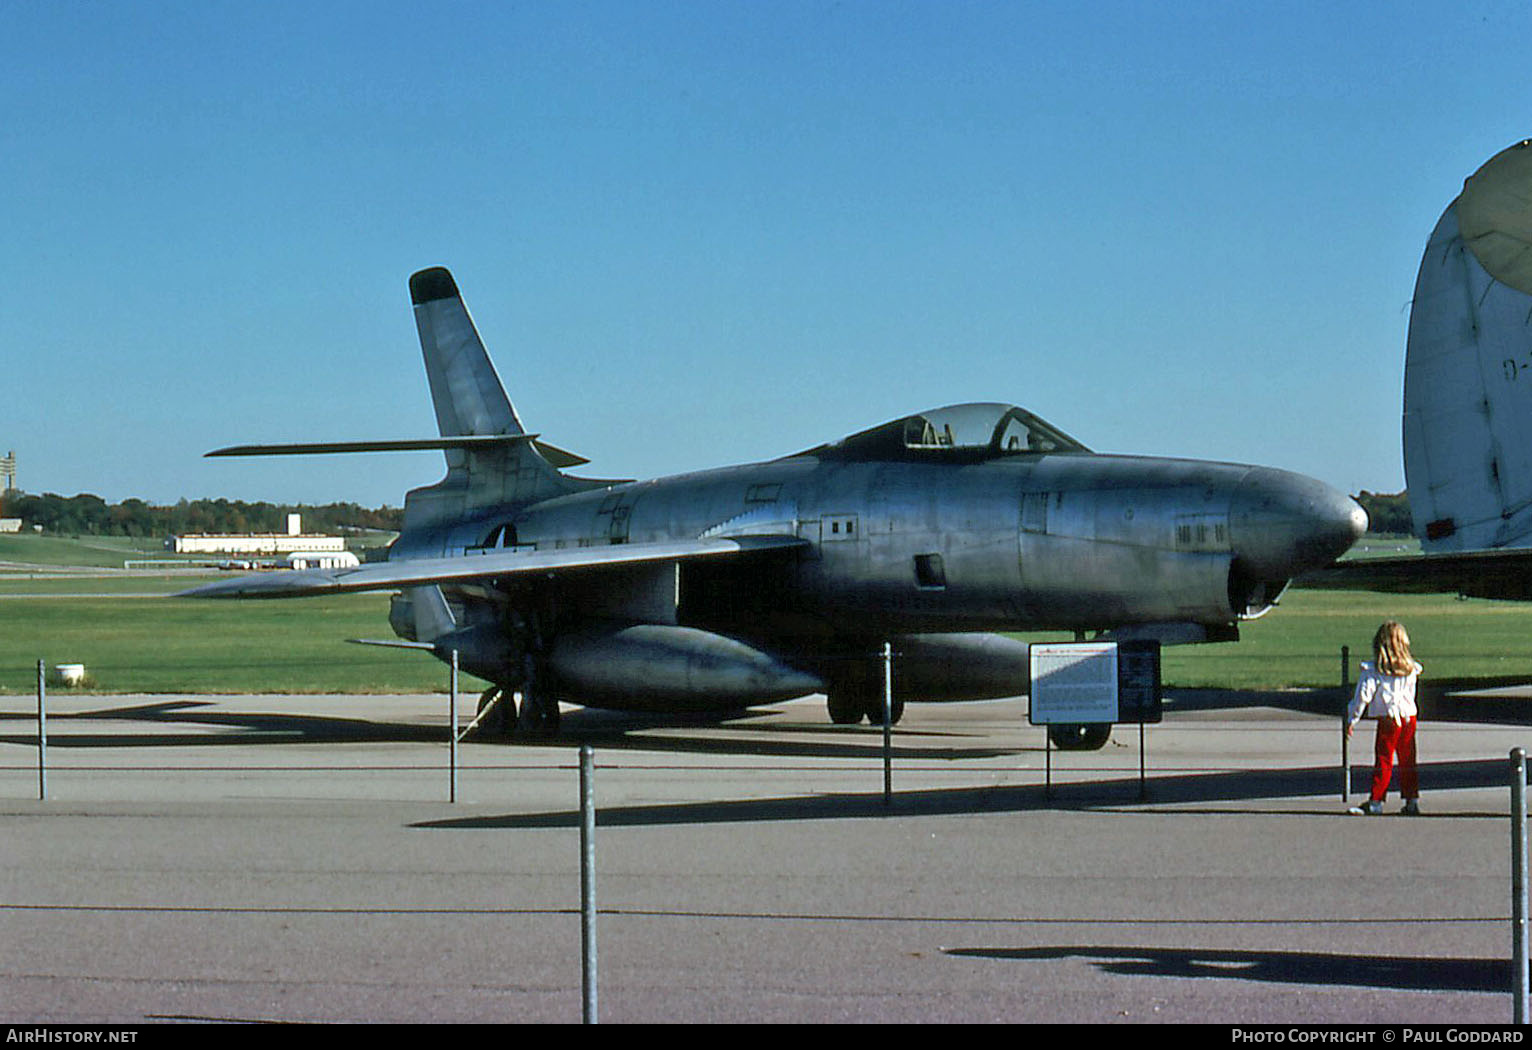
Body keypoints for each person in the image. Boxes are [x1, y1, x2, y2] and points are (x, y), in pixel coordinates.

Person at [1345, 621, 1424, 816]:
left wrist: (1351, 719)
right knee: (1408, 760)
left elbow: (1362, 697)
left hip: (1389, 719)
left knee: (1384, 759)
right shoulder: (1411, 669)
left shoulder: (1373, 671)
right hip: (1408, 717)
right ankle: (1411, 800)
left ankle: (1376, 801)